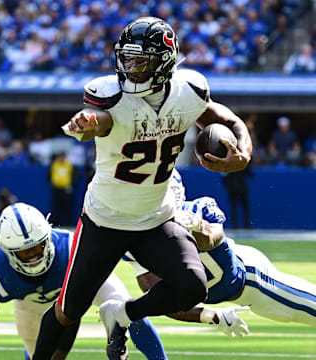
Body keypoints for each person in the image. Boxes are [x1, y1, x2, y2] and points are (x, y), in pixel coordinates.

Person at [32, 17, 252, 360]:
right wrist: (87, 124)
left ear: (164, 63)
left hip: (156, 218)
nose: (131, 68)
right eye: (127, 58)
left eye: (141, 61)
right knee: (68, 311)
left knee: (192, 285)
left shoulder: (188, 93)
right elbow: (102, 120)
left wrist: (243, 151)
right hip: (105, 220)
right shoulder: (111, 97)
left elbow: (226, 119)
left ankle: (120, 314)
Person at [0, 202, 170, 360]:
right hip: (30, 305)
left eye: (38, 247)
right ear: (7, 252)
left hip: (81, 281)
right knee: (37, 352)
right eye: (24, 252)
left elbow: (72, 312)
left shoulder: (71, 248)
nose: (33, 256)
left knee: (130, 310)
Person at [124, 170, 316, 328]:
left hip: (254, 279)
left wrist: (196, 226)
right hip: (242, 297)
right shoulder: (137, 240)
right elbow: (161, 300)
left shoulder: (197, 210)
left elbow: (212, 240)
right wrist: (208, 315)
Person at [49, 152, 77, 226]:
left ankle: (67, 224)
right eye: (59, 156)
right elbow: (49, 175)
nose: (61, 158)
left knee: (67, 208)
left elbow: (76, 176)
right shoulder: (54, 164)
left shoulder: (69, 165)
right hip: (57, 189)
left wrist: (71, 185)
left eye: (62, 156)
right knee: (56, 207)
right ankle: (55, 224)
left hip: (66, 190)